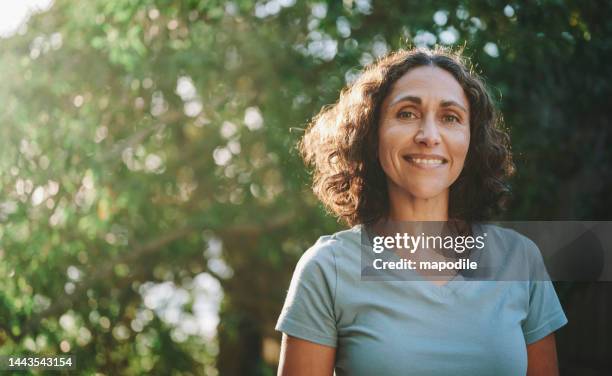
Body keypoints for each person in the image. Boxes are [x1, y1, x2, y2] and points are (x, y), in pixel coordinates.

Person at [275, 47, 567, 376]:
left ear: (471, 140)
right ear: (372, 134)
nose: (429, 136)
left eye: (450, 118)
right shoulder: (327, 270)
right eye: (407, 113)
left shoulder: (520, 260)